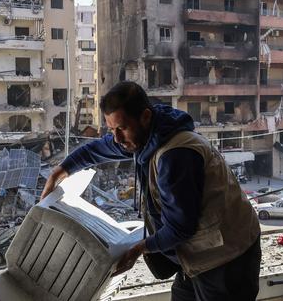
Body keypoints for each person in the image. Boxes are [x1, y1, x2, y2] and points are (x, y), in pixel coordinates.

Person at [41, 82, 261, 301]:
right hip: (197, 255)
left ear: (145, 117)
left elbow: (180, 228)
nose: (117, 138)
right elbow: (97, 149)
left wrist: (139, 249)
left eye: (121, 128)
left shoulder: (174, 156)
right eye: (111, 129)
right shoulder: (149, 135)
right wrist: (59, 172)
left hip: (227, 256)